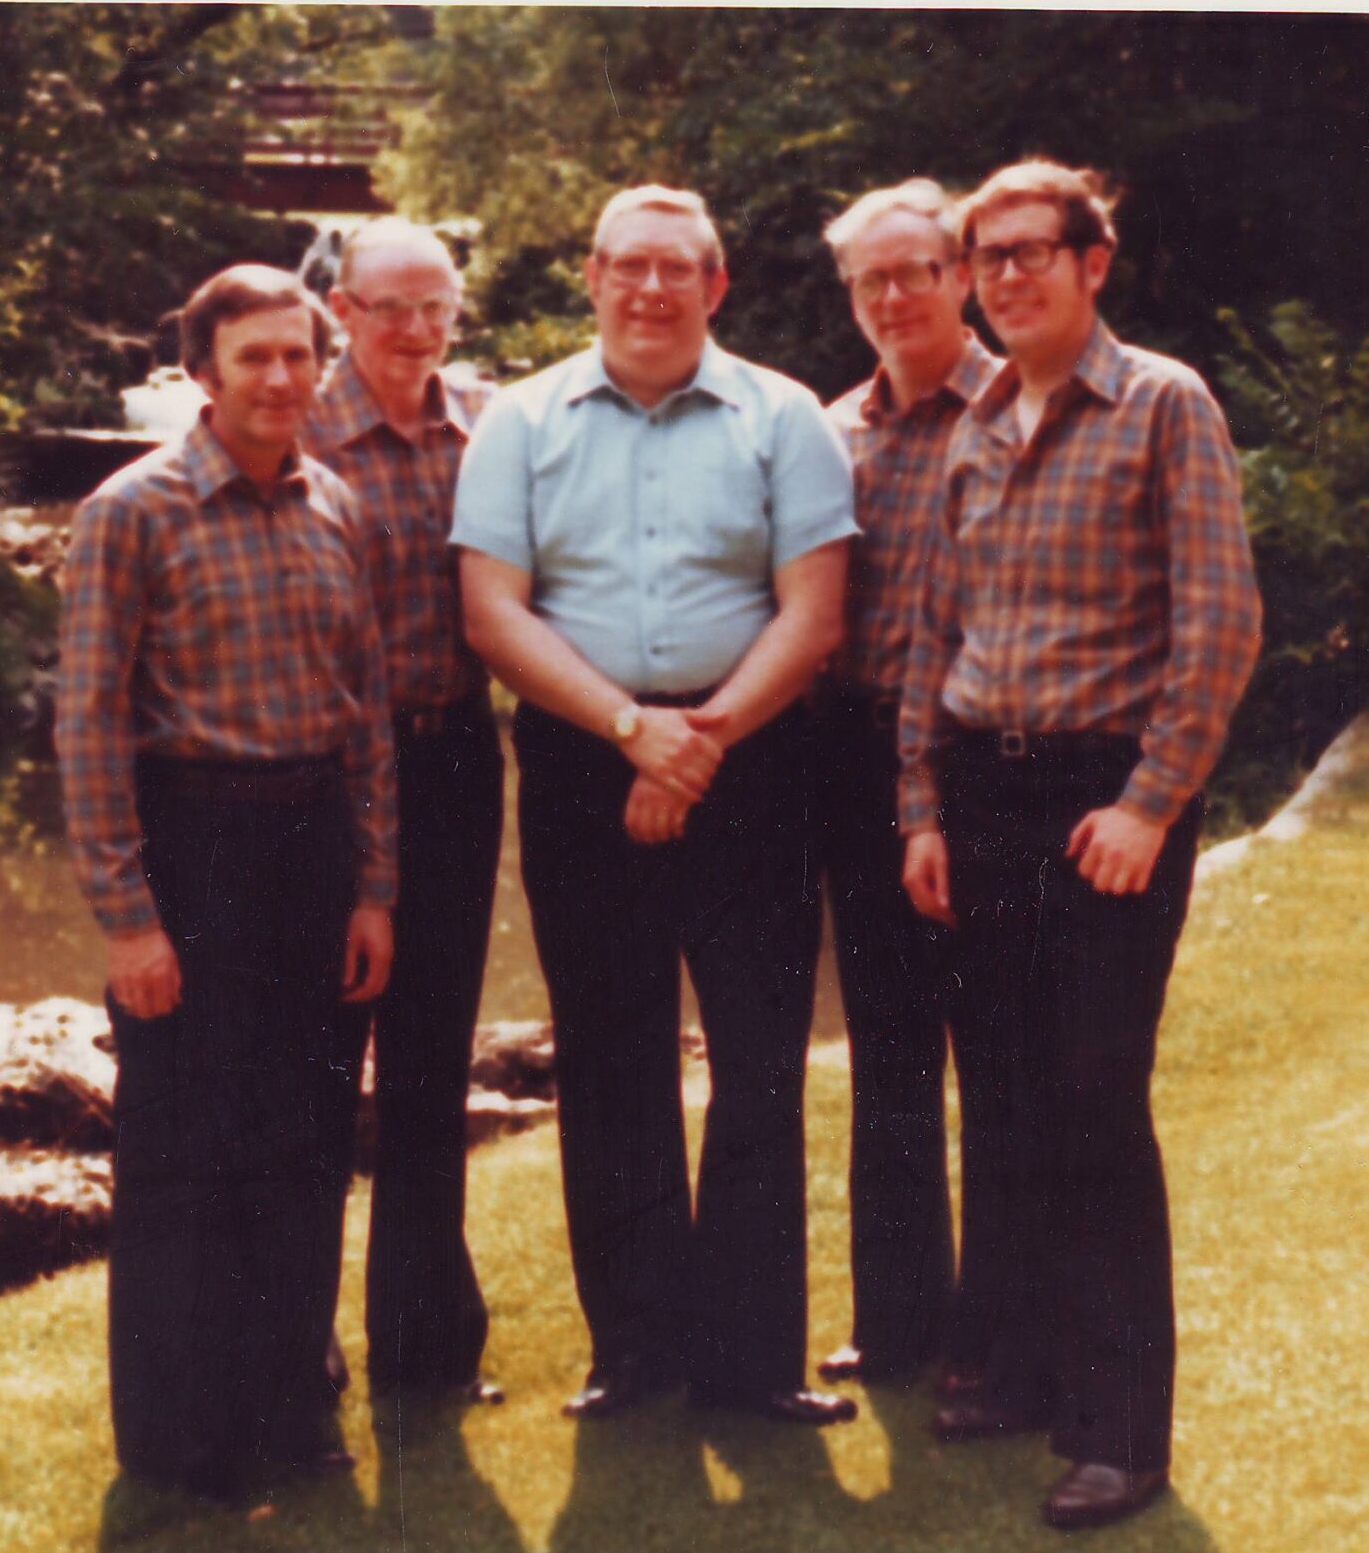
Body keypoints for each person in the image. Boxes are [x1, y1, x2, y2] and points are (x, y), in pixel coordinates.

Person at [451, 184, 860, 1426]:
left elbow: (813, 614)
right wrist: (632, 733)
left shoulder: (784, 417)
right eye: (628, 265)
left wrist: (699, 741)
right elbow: (492, 614)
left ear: (714, 285)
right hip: (583, 758)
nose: (650, 288)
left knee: (757, 1058)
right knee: (609, 1056)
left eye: (676, 267)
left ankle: (753, 1361)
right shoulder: (519, 421)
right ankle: (635, 1354)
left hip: (754, 760)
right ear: (592, 277)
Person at [898, 161, 1262, 1530]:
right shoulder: (977, 423)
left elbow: (1219, 621)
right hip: (980, 793)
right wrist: (920, 808)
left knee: (1095, 1099)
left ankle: (1119, 1433)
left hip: (1103, 800)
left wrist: (1152, 803)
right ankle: (1020, 1372)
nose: (1006, 276)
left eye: (1030, 252)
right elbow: (935, 633)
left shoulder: (1164, 404)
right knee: (1001, 1094)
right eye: (985, 257)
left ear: (1090, 264)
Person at [57, 263, 397, 1503]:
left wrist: (373, 887)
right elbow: (89, 726)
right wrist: (128, 920)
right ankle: (180, 1441)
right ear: (201, 373)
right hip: (193, 846)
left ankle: (291, 1403)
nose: (281, 378)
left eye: (299, 355)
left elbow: (365, 717)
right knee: (185, 1154)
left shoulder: (336, 506)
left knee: (306, 1141)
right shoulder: (130, 513)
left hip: (314, 848)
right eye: (254, 356)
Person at [305, 219, 505, 1406]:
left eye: (438, 308)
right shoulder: (293, 428)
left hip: (454, 762)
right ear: (342, 312)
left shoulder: (488, 429)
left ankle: (427, 1350)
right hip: (324, 781)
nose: (418, 331)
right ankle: (300, 1342)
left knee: (432, 1060)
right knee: (316, 1064)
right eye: (392, 308)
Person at [809, 180, 1000, 1391]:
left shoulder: (1019, 412)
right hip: (855, 760)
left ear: (958, 278)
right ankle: (896, 1322)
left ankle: (997, 1326)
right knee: (886, 1050)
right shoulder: (834, 432)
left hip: (980, 764)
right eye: (868, 281)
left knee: (996, 1046)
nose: (891, 297)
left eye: (912, 272)